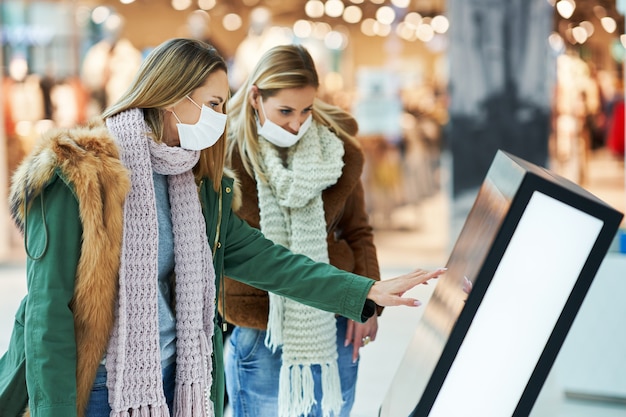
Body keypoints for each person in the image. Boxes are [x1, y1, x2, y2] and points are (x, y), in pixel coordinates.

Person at [0, 38, 445, 417]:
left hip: (179, 383)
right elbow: (47, 313)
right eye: (213, 104)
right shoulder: (78, 173)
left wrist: (361, 291)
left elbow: (269, 260)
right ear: (173, 97)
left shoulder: (195, 182)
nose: (220, 115)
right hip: (100, 387)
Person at [223, 44, 380, 417]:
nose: (297, 123)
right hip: (260, 333)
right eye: (286, 111)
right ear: (256, 97)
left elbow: (358, 231)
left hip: (335, 325)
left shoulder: (335, 150)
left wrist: (367, 303)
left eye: (307, 109)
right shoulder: (224, 157)